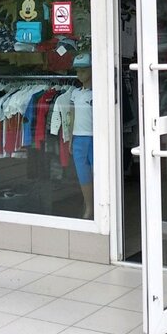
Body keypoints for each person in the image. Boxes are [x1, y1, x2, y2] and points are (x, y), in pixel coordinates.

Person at [69, 52, 93, 218]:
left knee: (97, 172)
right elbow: (72, 116)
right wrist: (71, 138)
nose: (79, 74)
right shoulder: (75, 93)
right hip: (78, 138)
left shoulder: (97, 93)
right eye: (77, 71)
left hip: (94, 137)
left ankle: (98, 205)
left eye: (83, 70)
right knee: (83, 174)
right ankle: (89, 206)